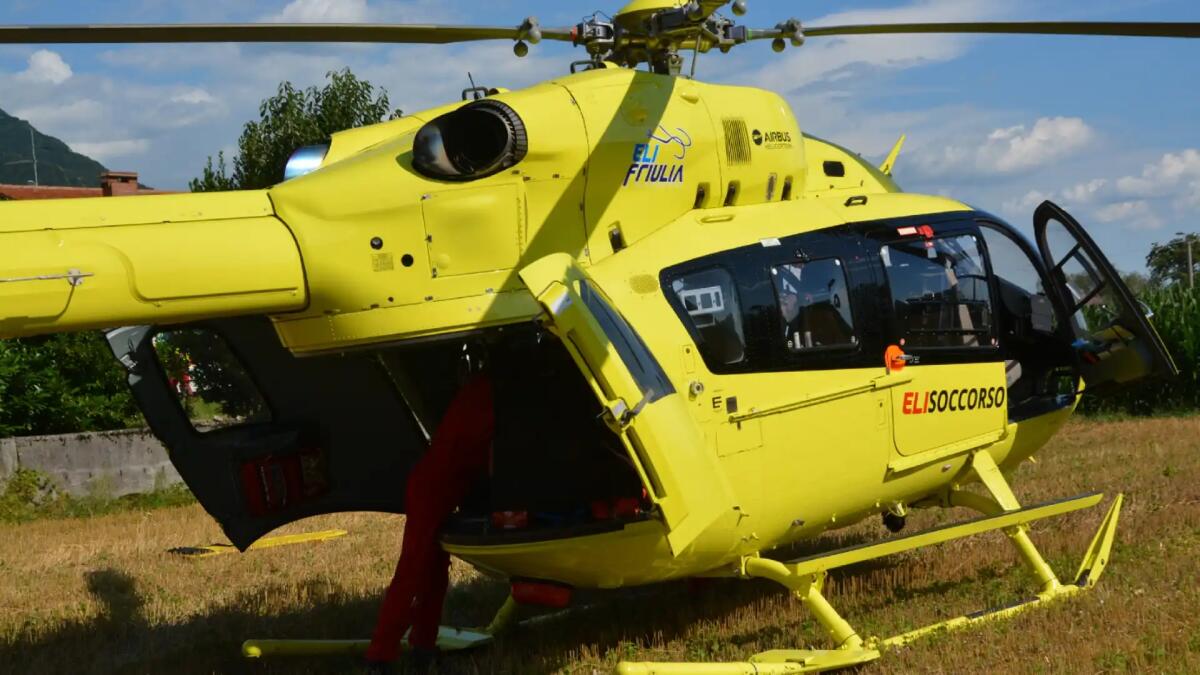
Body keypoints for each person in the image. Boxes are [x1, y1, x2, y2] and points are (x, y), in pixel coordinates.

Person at [366, 351, 495, 671]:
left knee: (436, 574)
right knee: (412, 570)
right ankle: (380, 656)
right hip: (433, 489)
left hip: (439, 486)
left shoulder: (479, 391)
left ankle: (423, 646)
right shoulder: (488, 397)